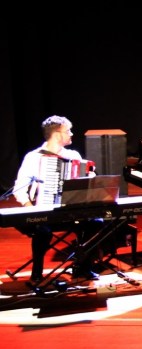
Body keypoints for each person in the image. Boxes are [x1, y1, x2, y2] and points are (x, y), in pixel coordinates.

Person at [11, 115, 100, 286]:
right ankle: (37, 272)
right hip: (43, 212)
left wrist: (90, 174)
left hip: (69, 211)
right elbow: (19, 188)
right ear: (58, 134)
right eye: (68, 131)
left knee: (96, 222)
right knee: (42, 231)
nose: (71, 134)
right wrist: (32, 209)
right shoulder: (33, 157)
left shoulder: (73, 155)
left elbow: (87, 180)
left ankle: (83, 266)